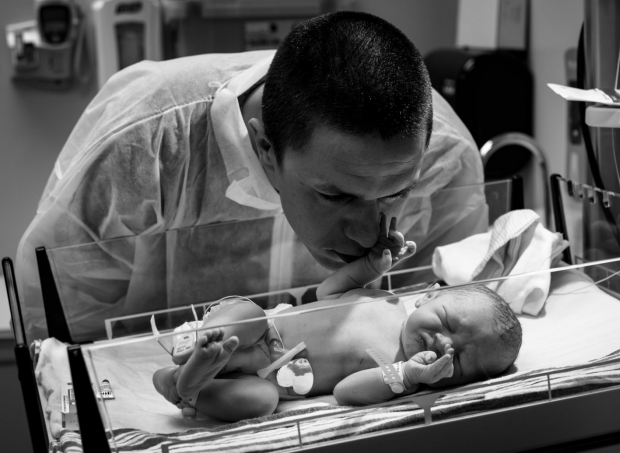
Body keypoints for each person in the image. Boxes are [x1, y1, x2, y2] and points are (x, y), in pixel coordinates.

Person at [16, 11, 486, 343]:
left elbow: (449, 307)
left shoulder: (441, 153)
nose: (368, 233)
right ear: (265, 147)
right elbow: (59, 326)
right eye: (334, 195)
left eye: (396, 192)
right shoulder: (148, 141)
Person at [152, 220, 522, 420]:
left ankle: (185, 384)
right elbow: (330, 291)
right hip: (269, 328)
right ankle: (205, 340)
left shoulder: (398, 371)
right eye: (449, 323)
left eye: (457, 360)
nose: (445, 344)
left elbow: (345, 393)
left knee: (260, 401)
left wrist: (408, 376)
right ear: (428, 295)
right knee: (247, 317)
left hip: (269, 380)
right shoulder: (388, 300)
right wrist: (369, 266)